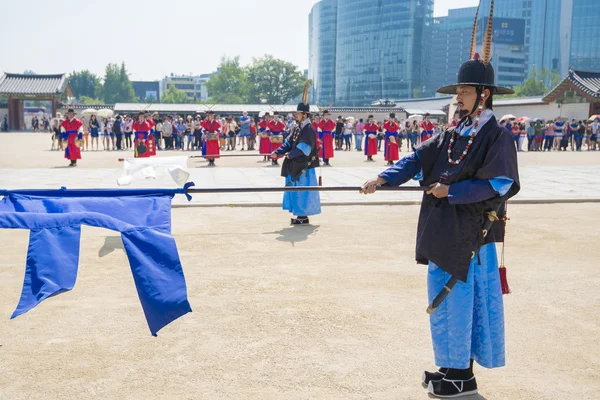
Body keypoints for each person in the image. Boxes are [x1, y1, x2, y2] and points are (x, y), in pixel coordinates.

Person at [361, 7, 520, 396]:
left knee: (460, 304)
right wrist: (383, 177)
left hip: (472, 236)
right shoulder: (455, 131)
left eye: (465, 91)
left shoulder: (497, 136)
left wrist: (453, 191)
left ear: (484, 95)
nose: (458, 97)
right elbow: (418, 157)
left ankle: (459, 376)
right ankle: (453, 371)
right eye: (458, 93)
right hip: (444, 229)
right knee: (445, 301)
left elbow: (500, 183)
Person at [271, 85, 321, 225]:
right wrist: (278, 152)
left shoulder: (309, 129)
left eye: (298, 114)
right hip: (295, 164)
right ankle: (300, 216)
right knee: (296, 190)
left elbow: (304, 149)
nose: (296, 115)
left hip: (303, 166)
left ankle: (303, 217)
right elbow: (288, 142)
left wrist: (290, 155)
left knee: (302, 191)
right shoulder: (297, 128)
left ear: (304, 115)